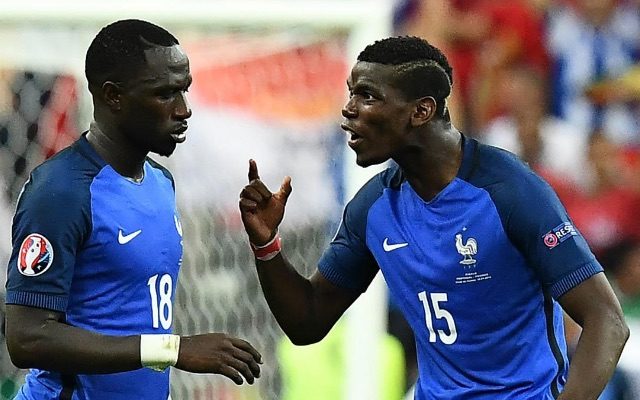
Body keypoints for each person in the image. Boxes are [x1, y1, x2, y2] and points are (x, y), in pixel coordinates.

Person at [239, 36, 629, 399]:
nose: (349, 109)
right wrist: (265, 244)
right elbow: (308, 321)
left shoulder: (509, 191)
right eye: (351, 93)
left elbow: (608, 321)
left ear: (421, 111)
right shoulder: (373, 207)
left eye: (367, 95)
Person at [4, 19, 262, 400]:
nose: (184, 109)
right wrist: (171, 349)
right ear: (113, 96)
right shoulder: (61, 192)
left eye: (184, 90)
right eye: (165, 94)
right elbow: (26, 337)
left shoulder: (161, 182)